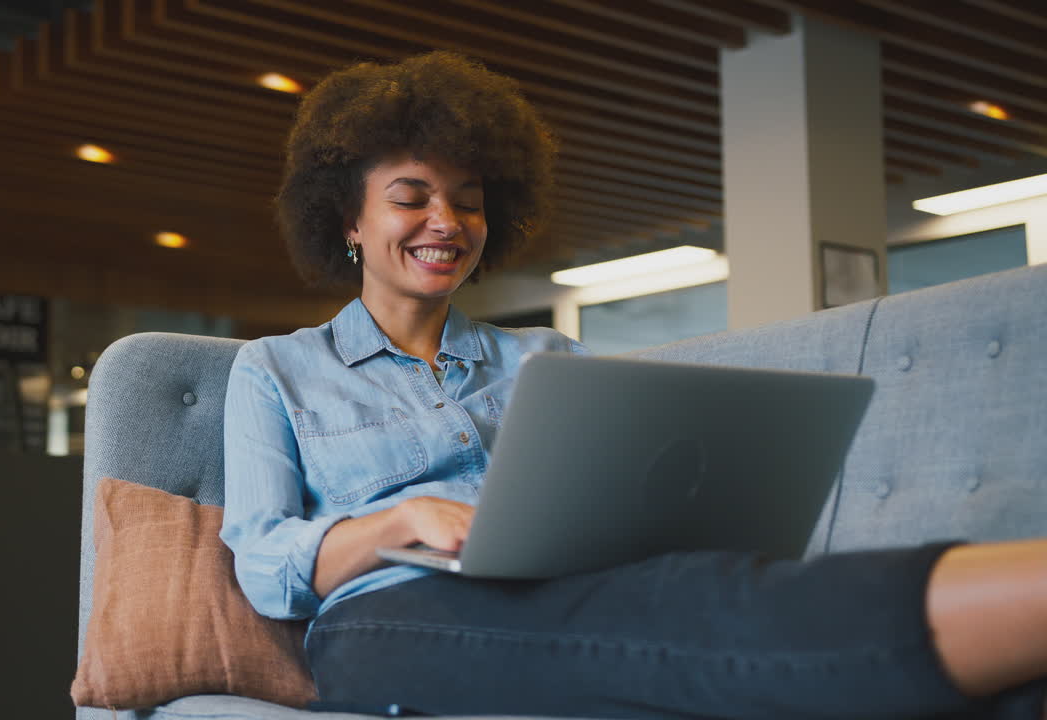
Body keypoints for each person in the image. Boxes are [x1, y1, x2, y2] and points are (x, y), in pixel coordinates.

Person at [219, 51, 1047, 719]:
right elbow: (262, 564)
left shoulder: (545, 355)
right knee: (692, 610)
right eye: (412, 198)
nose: (446, 222)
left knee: (695, 593)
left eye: (467, 202)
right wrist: (398, 522)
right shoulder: (277, 369)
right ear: (348, 222)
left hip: (571, 587)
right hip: (387, 619)